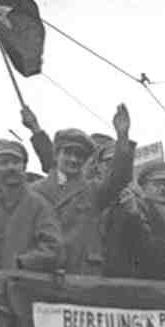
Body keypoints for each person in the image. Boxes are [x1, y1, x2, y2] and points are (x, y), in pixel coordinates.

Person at [32, 105, 135, 276]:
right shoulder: (35, 191)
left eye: (80, 155)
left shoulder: (94, 190)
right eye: (68, 153)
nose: (74, 159)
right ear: (56, 155)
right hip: (45, 273)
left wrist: (122, 136)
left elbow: (120, 178)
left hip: (83, 273)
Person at [0, 139, 62, 272]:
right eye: (4, 163)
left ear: (24, 167)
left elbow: (54, 249)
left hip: (25, 287)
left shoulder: (39, 206)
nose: (11, 167)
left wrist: (22, 262)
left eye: (16, 162)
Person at [104, 160, 165, 280]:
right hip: (143, 286)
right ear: (143, 187)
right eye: (156, 184)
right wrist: (133, 214)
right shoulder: (133, 212)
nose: (162, 189)